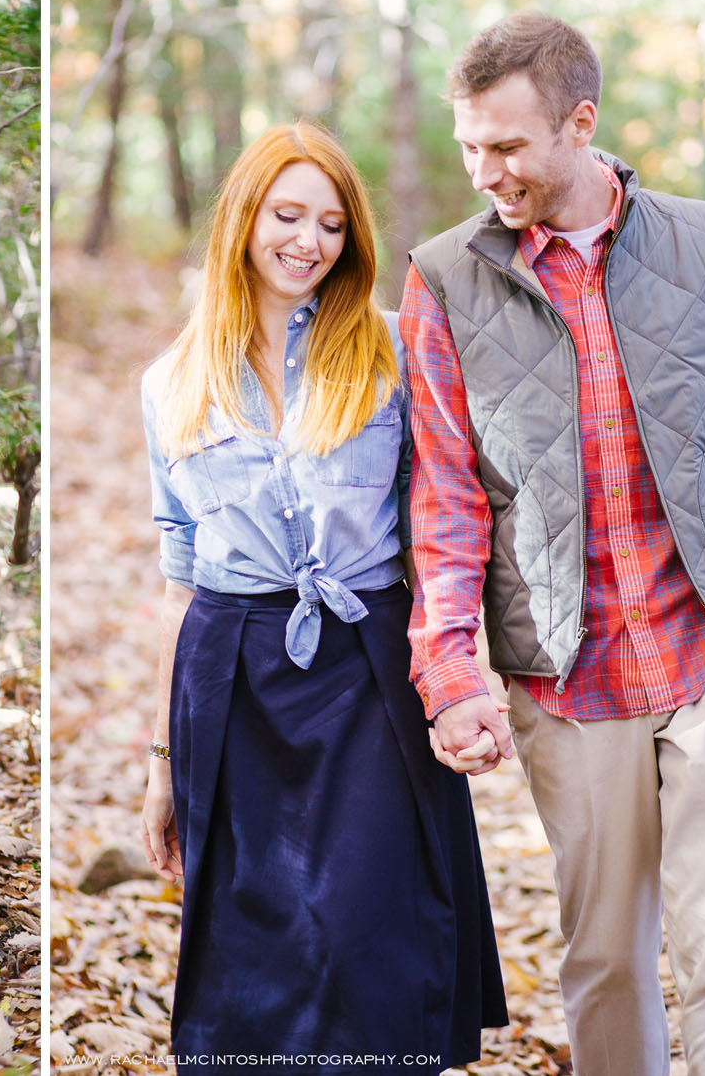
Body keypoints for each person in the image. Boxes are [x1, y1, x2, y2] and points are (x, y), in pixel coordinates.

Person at [402, 12, 705, 1076]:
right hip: (567, 678)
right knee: (608, 967)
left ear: (581, 124)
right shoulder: (443, 280)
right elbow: (443, 500)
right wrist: (448, 671)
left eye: (508, 146)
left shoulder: (702, 240)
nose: (484, 170)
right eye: (469, 145)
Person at [139, 121, 507, 1074]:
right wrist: (159, 755)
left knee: (373, 929)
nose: (308, 241)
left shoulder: (390, 350)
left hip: (369, 660)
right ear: (242, 218)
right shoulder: (170, 382)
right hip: (231, 672)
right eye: (287, 214)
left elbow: (443, 518)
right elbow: (180, 576)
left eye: (333, 224)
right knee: (252, 950)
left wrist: (456, 670)